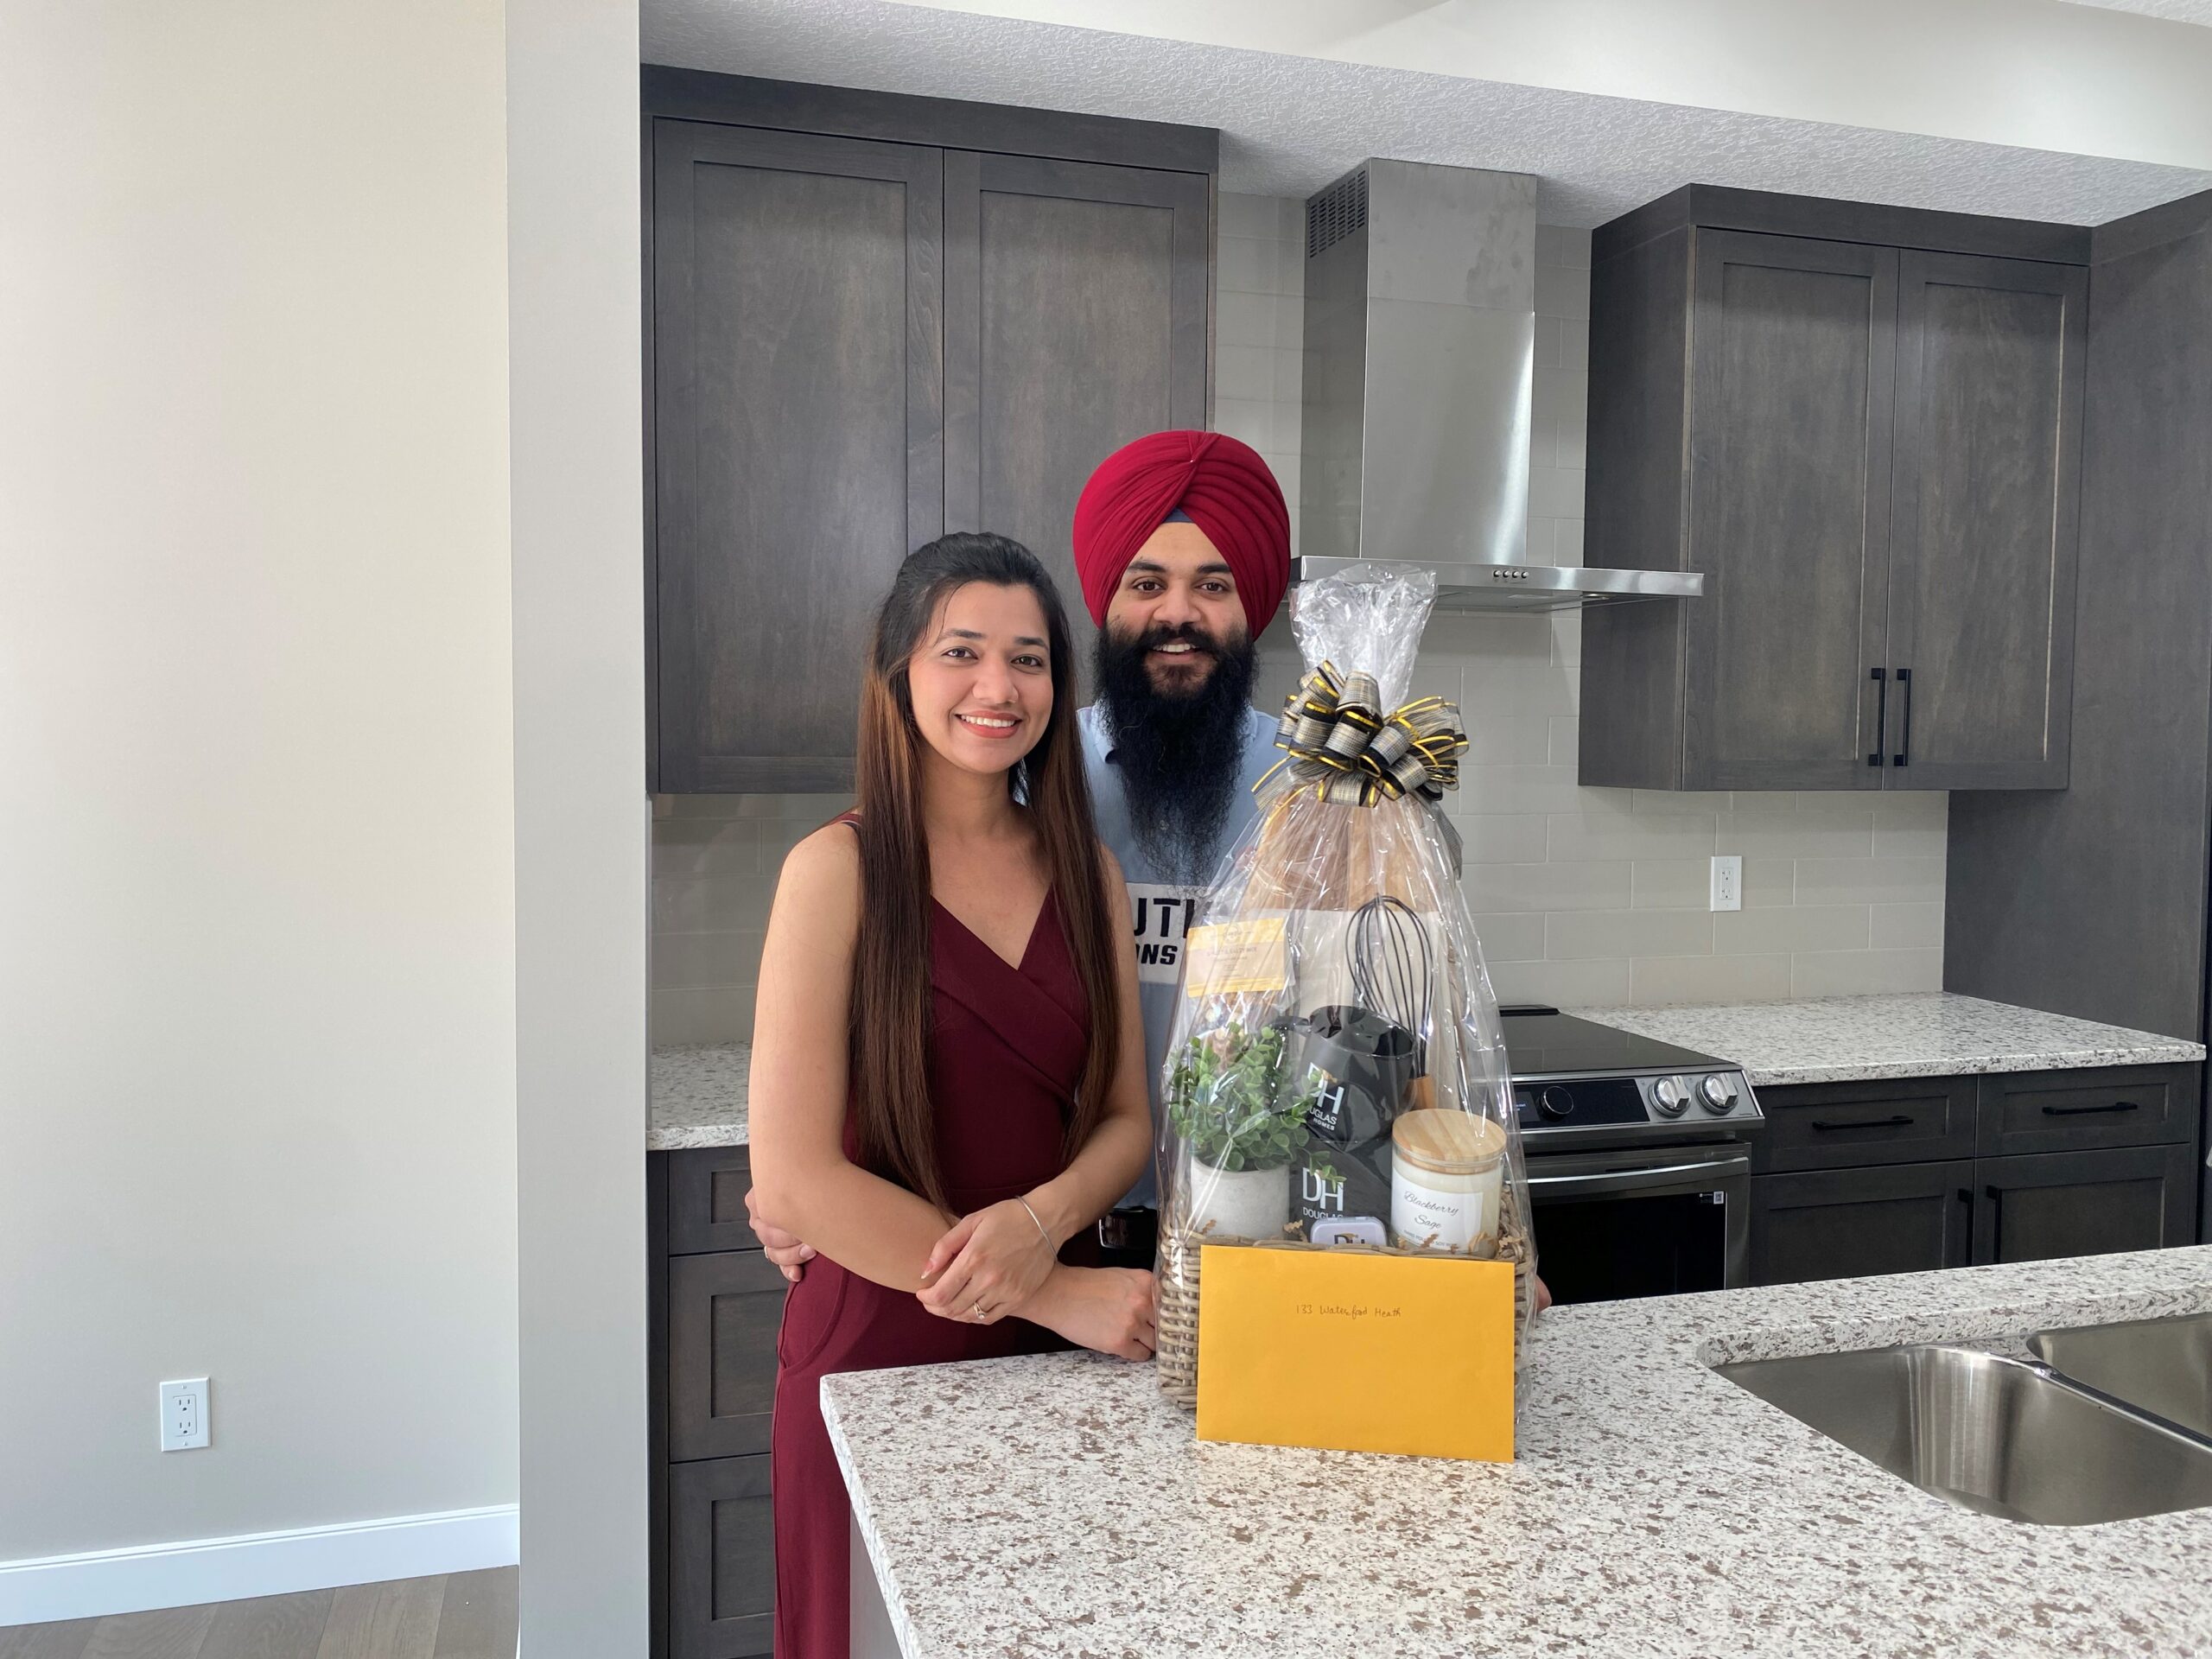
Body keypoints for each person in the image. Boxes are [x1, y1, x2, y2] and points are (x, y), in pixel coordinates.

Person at [746, 531, 1157, 1659]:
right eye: (961, 652)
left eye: (1029, 659)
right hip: (877, 1348)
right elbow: (794, 1178)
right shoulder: (834, 873)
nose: (998, 687)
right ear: (900, 672)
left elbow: (1127, 1119)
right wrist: (1053, 1291)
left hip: (1051, 1366)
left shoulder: (1089, 874)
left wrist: (1039, 1225)